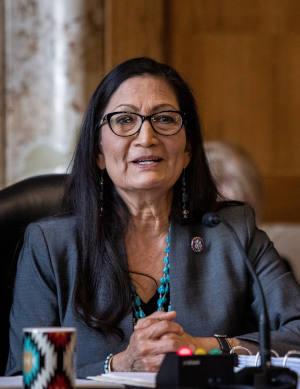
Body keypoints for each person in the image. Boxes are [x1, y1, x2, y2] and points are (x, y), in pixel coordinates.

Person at [6, 57, 300, 377]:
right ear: (99, 152)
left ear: (187, 150)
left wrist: (203, 348)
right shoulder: (51, 246)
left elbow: (297, 332)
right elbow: (24, 376)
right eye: (124, 120)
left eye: (164, 118)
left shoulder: (232, 231)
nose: (146, 137)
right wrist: (118, 364)